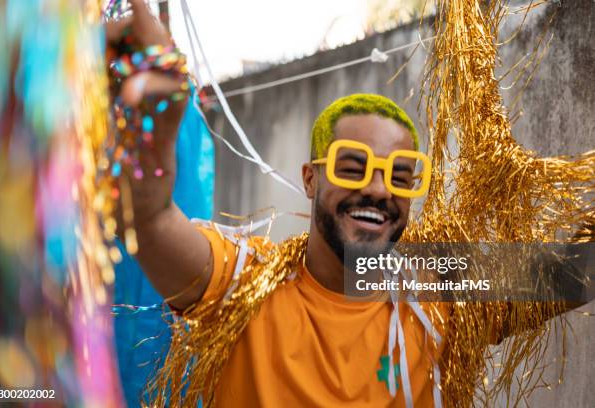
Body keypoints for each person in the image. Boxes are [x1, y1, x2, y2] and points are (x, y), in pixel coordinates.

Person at [107, 1, 591, 407]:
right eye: (352, 167)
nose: (379, 191)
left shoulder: (440, 302)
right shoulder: (240, 283)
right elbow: (148, 219)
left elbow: (575, 275)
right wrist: (155, 132)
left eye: (400, 177)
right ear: (310, 178)